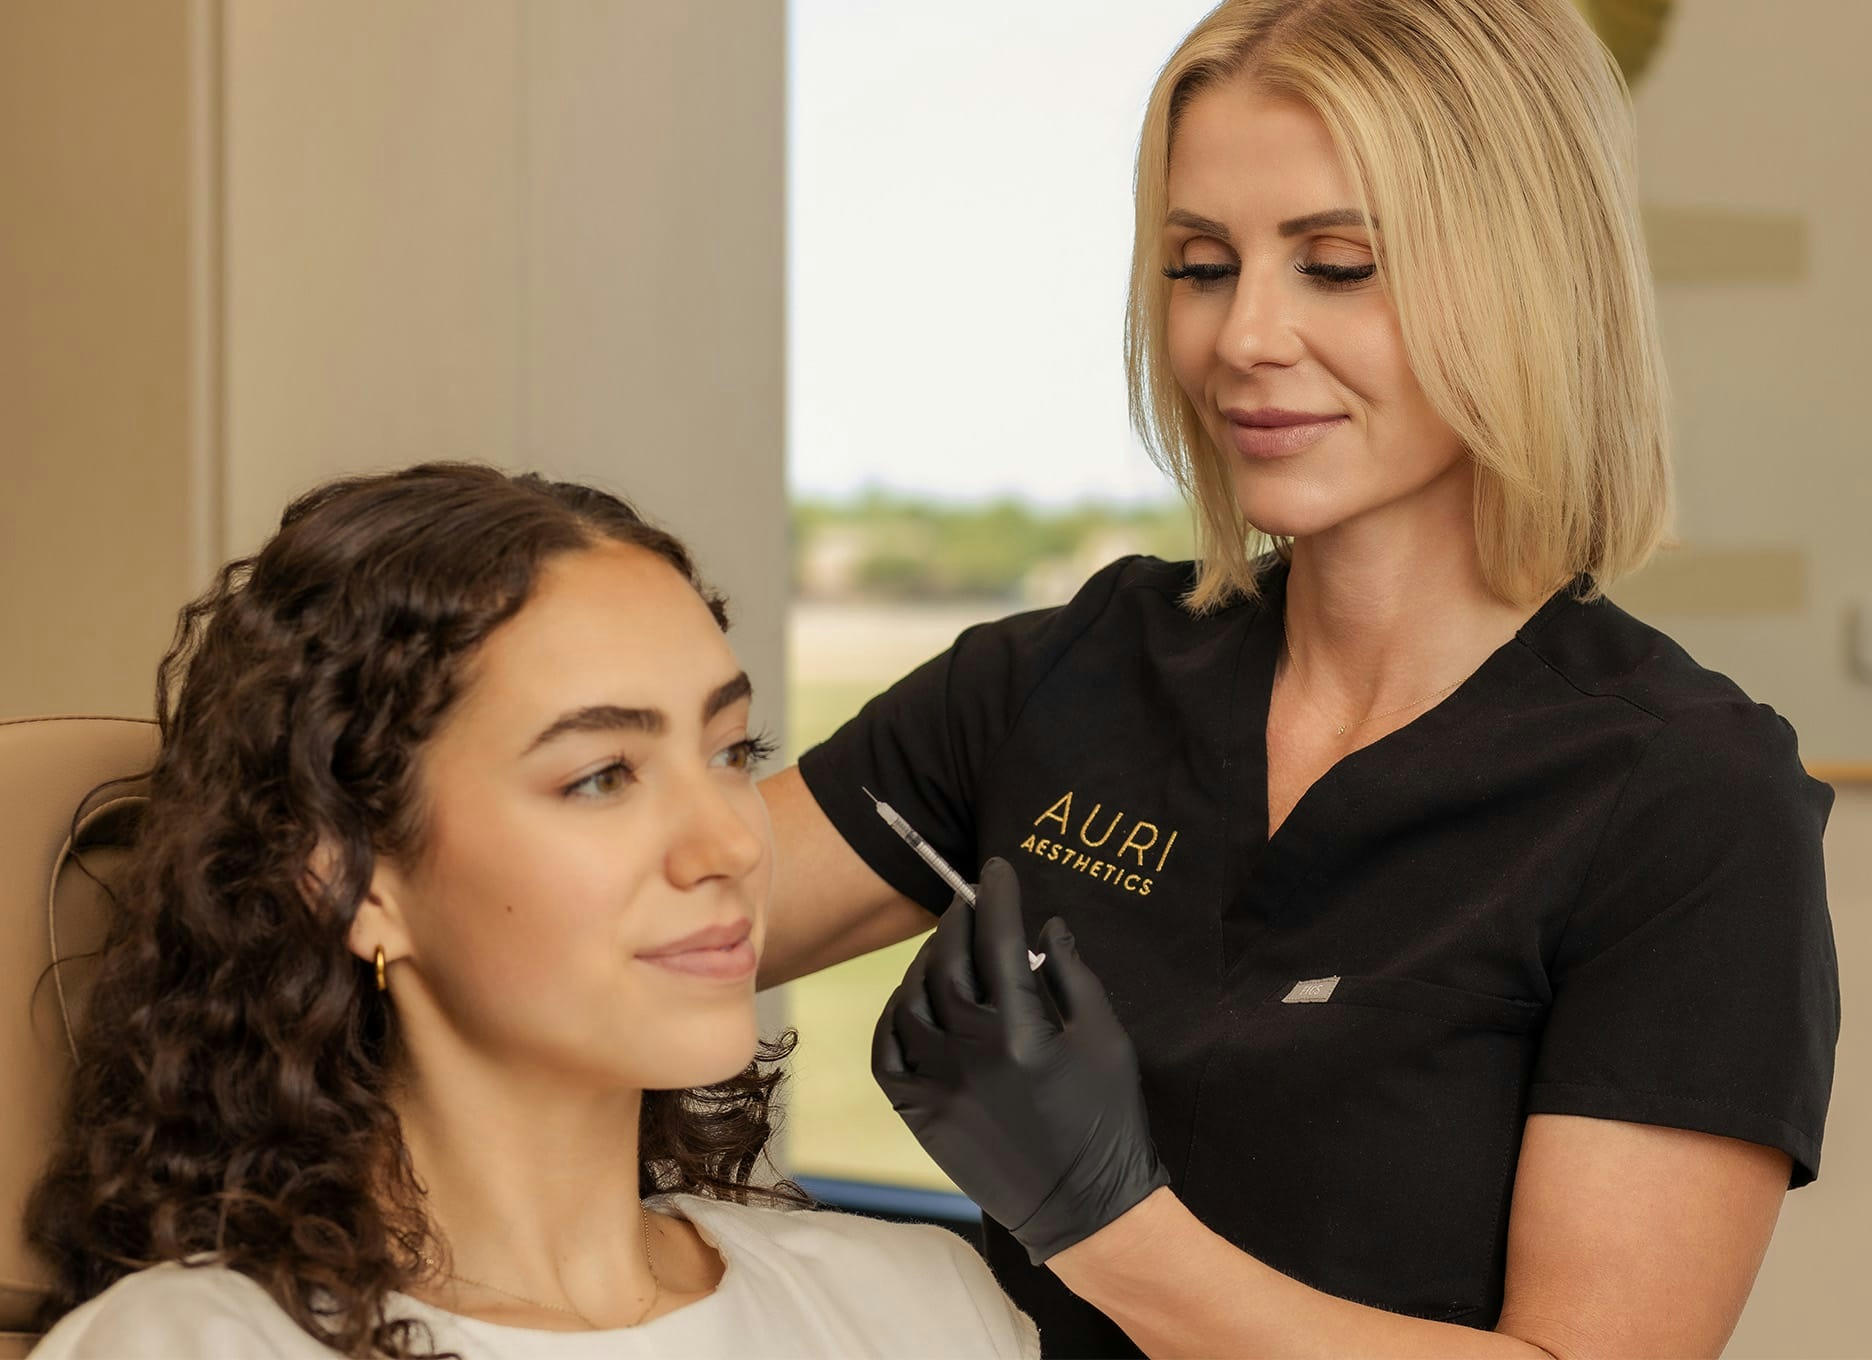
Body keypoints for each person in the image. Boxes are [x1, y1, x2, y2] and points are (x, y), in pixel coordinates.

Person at [755, 1, 1840, 1355]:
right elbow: (617, 922)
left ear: (1532, 280)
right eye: (1201, 266)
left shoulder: (1682, 799)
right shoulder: (1067, 674)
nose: (1244, 338)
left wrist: (1103, 1223)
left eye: (1337, 265)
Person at [27, 464, 1038, 1359]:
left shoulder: (924, 1310)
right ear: (352, 880)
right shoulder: (193, 1347)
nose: (733, 844)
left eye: (731, 751)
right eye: (602, 776)